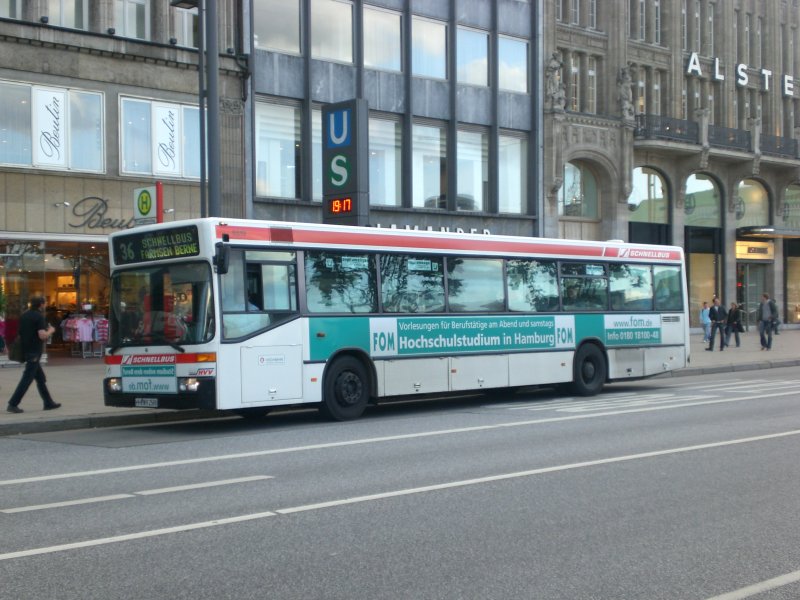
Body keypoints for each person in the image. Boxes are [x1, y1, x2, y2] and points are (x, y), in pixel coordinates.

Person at [6, 296, 61, 413]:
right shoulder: (39, 317)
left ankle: (48, 402)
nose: (45, 305)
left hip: (26, 350)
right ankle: (13, 403)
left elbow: (20, 332)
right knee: (27, 379)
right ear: (41, 304)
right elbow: (42, 335)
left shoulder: (24, 315)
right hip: (34, 352)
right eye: (44, 303)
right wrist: (51, 330)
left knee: (40, 378)